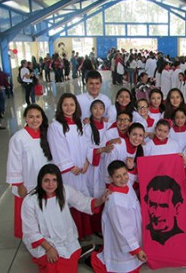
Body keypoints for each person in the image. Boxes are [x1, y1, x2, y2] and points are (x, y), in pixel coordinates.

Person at [21, 164, 107, 273]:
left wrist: (101, 200)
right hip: (44, 243)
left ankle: (81, 255)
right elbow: (31, 232)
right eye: (46, 180)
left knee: (67, 262)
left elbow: (83, 202)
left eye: (54, 180)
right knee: (52, 264)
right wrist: (49, 249)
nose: (51, 184)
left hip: (66, 239)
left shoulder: (64, 190)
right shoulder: (30, 201)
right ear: (40, 181)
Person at [88, 160, 146, 272]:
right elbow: (123, 229)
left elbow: (133, 177)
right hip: (123, 237)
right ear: (111, 178)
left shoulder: (126, 183)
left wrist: (132, 167)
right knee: (124, 264)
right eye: (118, 176)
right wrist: (136, 250)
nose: (123, 178)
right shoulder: (115, 200)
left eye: (125, 174)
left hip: (133, 229)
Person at [47, 93, 91, 239]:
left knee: (81, 197)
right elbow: (57, 148)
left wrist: (86, 161)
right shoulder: (56, 126)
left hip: (81, 169)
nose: (69, 107)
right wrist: (71, 167)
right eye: (65, 105)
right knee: (69, 199)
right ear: (60, 107)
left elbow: (86, 144)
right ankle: (72, 234)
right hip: (68, 171)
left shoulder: (79, 124)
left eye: (72, 104)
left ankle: (84, 231)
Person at [6, 104, 52, 238]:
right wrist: (19, 184)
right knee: (28, 212)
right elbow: (14, 163)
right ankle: (30, 238)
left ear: (42, 118)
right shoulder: (18, 138)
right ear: (25, 118)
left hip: (45, 180)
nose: (35, 120)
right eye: (31, 117)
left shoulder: (47, 134)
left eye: (38, 116)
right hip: (27, 182)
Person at [83, 100, 108, 234]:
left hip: (105, 163)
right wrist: (102, 150)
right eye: (95, 108)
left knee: (104, 192)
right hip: (94, 165)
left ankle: (104, 225)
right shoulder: (87, 127)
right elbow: (87, 148)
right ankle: (95, 227)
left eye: (101, 108)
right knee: (94, 193)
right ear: (91, 110)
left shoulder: (107, 124)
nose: (98, 111)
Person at [144, 175, 184, 245]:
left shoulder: (184, 239)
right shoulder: (142, 233)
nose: (156, 214)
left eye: (163, 206)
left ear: (177, 208)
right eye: (152, 205)